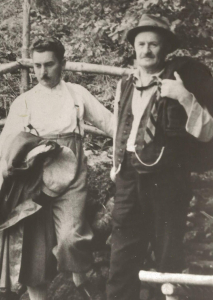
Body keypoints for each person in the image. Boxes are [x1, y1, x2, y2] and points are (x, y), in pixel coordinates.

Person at [0, 36, 114, 300]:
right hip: (34, 177)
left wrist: (130, 144)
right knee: (34, 248)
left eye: (49, 64)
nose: (43, 71)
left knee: (70, 238)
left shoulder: (78, 94)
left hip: (72, 172)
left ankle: (80, 278)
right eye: (37, 65)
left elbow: (110, 122)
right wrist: (17, 159)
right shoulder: (25, 101)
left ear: (62, 63)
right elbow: (6, 141)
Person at [107, 14, 213, 300]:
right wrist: (115, 165)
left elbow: (207, 131)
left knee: (168, 257)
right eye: (141, 44)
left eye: (153, 44)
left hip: (167, 179)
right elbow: (119, 126)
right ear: (134, 48)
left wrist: (183, 96)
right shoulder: (126, 83)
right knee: (121, 258)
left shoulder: (181, 79)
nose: (146, 50)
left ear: (165, 48)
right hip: (128, 178)